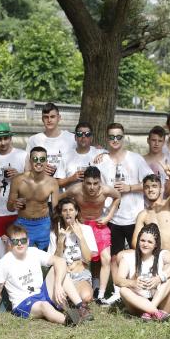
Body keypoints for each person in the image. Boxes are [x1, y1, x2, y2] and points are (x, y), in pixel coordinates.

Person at [0, 224, 88, 326]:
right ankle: (69, 321)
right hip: (23, 303)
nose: (20, 244)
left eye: (23, 240)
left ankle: (81, 308)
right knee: (44, 306)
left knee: (57, 269)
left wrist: (58, 285)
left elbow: (60, 261)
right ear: (10, 243)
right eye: (15, 241)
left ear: (28, 241)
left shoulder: (33, 252)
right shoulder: (3, 263)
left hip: (41, 293)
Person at [95, 123, 153, 268]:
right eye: (111, 137)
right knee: (114, 257)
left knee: (138, 254)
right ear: (107, 138)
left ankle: (138, 284)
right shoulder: (101, 161)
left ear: (124, 138)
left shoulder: (136, 159)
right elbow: (96, 188)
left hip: (134, 217)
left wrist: (129, 187)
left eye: (118, 137)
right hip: (111, 216)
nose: (115, 140)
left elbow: (150, 184)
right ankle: (116, 288)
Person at [64, 166, 120, 304]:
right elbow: (60, 199)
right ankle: (84, 286)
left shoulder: (106, 190)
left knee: (105, 258)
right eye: (88, 183)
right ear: (83, 182)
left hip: (100, 225)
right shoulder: (76, 190)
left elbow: (117, 197)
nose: (92, 187)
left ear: (100, 182)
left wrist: (108, 217)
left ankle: (100, 295)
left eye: (95, 183)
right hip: (81, 226)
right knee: (85, 260)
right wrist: (69, 216)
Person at [114, 223, 170, 321]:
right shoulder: (128, 258)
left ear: (156, 245)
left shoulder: (162, 254)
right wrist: (132, 283)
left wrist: (159, 278)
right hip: (139, 304)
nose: (145, 244)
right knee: (123, 290)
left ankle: (151, 310)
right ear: (138, 241)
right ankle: (154, 312)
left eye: (150, 242)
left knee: (169, 273)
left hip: (163, 302)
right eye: (142, 240)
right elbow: (117, 280)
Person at [7, 146, 60, 250]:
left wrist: (57, 229)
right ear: (30, 161)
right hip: (23, 223)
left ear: (46, 162)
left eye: (42, 159)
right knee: (22, 259)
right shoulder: (18, 180)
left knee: (44, 260)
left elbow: (55, 210)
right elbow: (9, 207)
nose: (38, 162)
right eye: (35, 159)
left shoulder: (52, 182)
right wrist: (14, 204)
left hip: (43, 224)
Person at [49, 197, 98, 306]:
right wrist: (60, 241)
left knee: (87, 297)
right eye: (64, 210)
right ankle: (71, 298)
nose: (68, 213)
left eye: (71, 210)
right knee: (58, 303)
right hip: (63, 275)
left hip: (80, 274)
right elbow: (54, 261)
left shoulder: (86, 229)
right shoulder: (55, 232)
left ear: (76, 212)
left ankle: (73, 297)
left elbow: (88, 260)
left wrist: (80, 236)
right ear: (61, 213)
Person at [0, 123, 27, 238]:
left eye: (5, 138)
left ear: (10, 138)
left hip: (18, 212)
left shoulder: (22, 155)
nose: (2, 142)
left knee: (17, 248)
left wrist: (18, 176)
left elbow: (32, 183)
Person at [132, 165, 170, 259]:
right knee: (121, 256)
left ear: (161, 189)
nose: (150, 190)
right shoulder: (143, 215)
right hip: (153, 259)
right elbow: (134, 242)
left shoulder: (169, 204)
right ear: (144, 190)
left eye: (154, 186)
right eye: (147, 187)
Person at [25, 103, 75, 176]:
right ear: (42, 119)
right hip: (41, 185)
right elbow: (27, 168)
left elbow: (86, 152)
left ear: (59, 118)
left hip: (66, 184)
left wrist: (98, 152)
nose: (49, 120)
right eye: (46, 117)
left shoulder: (72, 138)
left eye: (52, 117)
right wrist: (39, 169)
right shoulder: (34, 140)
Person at [56, 121, 103, 188]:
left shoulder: (100, 153)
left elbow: (114, 155)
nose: (83, 136)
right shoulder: (66, 157)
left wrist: (104, 154)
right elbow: (57, 183)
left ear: (91, 138)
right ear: (75, 137)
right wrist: (72, 178)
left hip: (95, 197)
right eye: (80, 134)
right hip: (72, 197)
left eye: (87, 134)